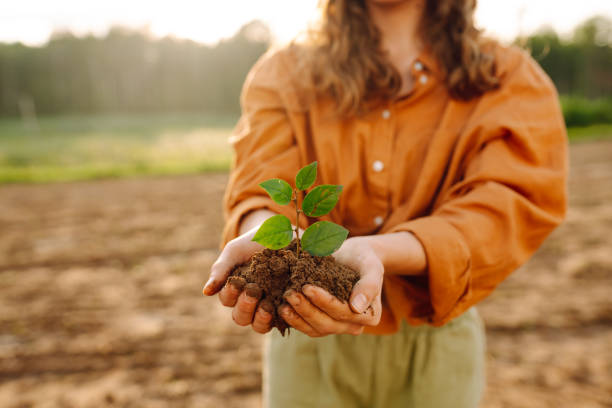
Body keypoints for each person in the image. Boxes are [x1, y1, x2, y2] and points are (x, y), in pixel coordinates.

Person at [203, 0, 568, 406]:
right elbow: (260, 186)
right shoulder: (284, 75)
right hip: (304, 329)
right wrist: (270, 235)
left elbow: (502, 206)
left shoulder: (507, 79)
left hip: (436, 340)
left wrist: (380, 251)